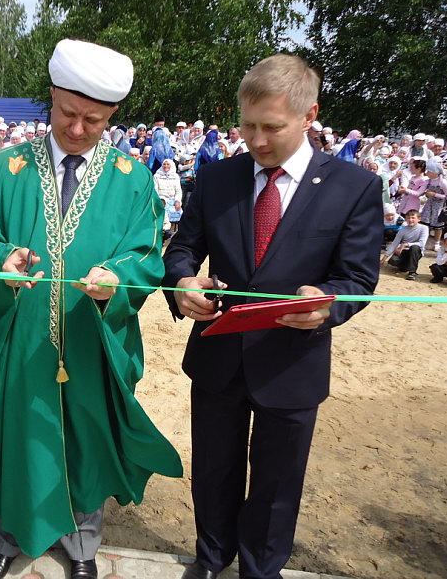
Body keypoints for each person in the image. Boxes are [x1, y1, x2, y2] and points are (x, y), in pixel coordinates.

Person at [0, 39, 182, 579]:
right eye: (67, 113)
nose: (77, 129)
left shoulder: (133, 180)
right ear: (51, 97)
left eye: (94, 120)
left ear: (113, 115)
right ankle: (11, 536)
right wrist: (1, 261)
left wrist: (118, 280)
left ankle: (81, 543)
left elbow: (148, 255)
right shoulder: (2, 168)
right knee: (20, 433)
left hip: (90, 338)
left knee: (86, 435)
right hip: (21, 337)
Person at [162, 54, 382, 579]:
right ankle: (211, 560)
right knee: (214, 471)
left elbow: (357, 279)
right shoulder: (217, 178)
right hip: (218, 356)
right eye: (247, 125)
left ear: (309, 116)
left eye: (271, 127)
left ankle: (261, 570)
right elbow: (181, 250)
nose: (256, 140)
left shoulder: (354, 188)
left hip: (292, 362)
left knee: (277, 483)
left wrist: (328, 304)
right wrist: (183, 284)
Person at [381, 209, 429, 280]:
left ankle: (412, 272)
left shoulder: (424, 228)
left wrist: (406, 244)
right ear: (405, 219)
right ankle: (405, 266)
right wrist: (384, 258)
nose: (410, 220)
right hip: (403, 251)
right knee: (394, 262)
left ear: (419, 219)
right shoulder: (403, 230)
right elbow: (394, 244)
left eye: (413, 218)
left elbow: (421, 244)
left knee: (414, 247)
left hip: (415, 251)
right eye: (408, 218)